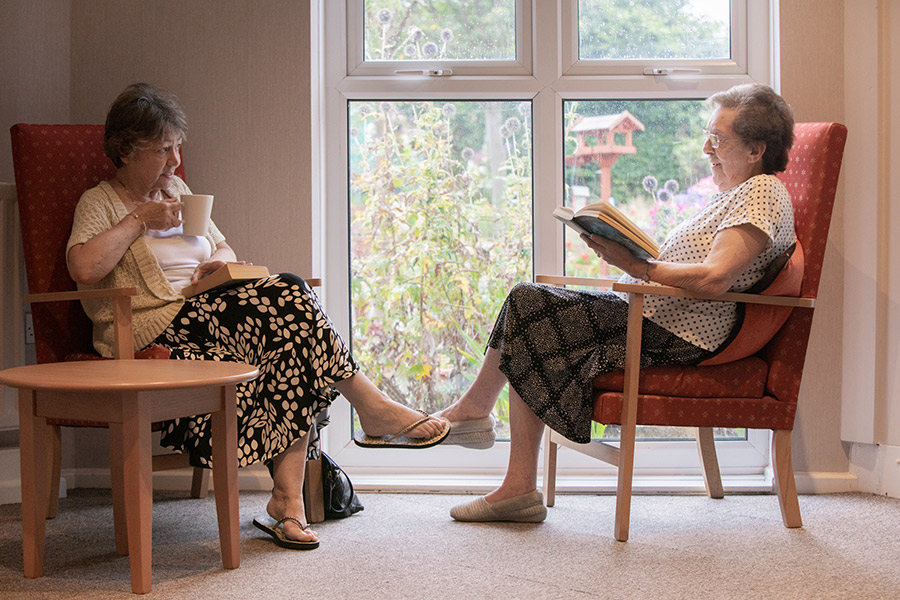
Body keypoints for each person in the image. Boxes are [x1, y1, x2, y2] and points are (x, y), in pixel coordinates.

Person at [66, 82, 450, 550]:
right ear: (127, 149)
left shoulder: (180, 191)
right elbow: (84, 267)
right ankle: (367, 410)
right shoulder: (100, 202)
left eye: (178, 147)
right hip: (155, 327)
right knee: (291, 290)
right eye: (164, 149)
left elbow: (222, 243)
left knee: (291, 344)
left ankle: (287, 503)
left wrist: (218, 262)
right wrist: (138, 221)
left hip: (212, 313)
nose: (175, 162)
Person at [437, 83, 796, 523]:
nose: (706, 148)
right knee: (529, 305)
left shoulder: (762, 193)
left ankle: (490, 441)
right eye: (708, 135)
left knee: (530, 303)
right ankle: (501, 459)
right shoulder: (736, 194)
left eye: (718, 139)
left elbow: (716, 277)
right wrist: (630, 258)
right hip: (654, 317)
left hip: (678, 334)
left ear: (757, 149)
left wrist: (637, 266)